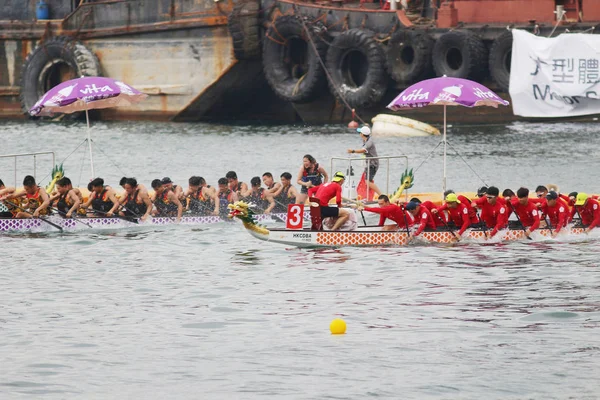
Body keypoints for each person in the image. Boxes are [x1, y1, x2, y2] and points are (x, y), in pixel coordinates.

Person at [347, 125, 381, 197]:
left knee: (368, 182)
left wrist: (353, 151)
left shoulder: (369, 142)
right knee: (367, 180)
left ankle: (381, 195)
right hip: (369, 163)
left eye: (360, 133)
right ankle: (368, 196)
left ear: (362, 134)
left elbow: (363, 150)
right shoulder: (365, 140)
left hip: (373, 164)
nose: (359, 134)